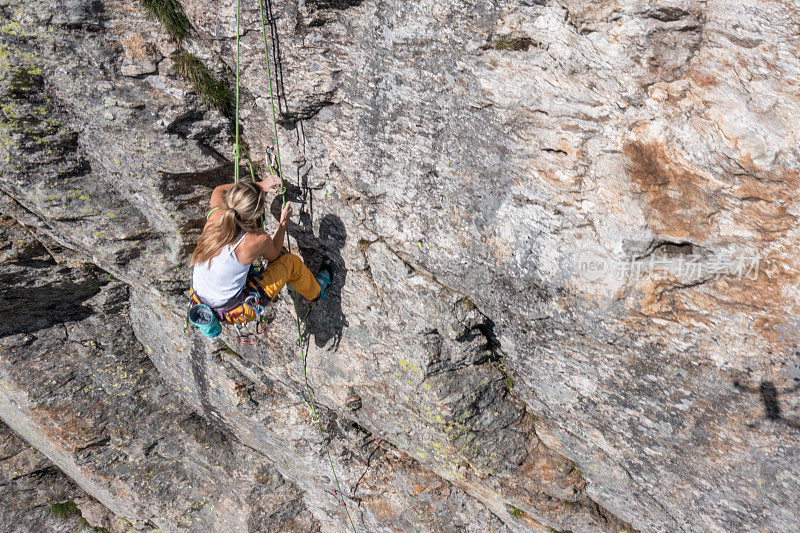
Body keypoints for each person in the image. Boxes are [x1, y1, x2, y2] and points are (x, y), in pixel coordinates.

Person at [190, 175, 330, 325]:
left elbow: (219, 190)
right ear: (256, 215)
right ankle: (314, 293)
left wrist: (260, 185)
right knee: (291, 263)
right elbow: (274, 254)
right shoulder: (254, 241)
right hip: (236, 310)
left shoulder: (215, 217)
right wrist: (283, 223)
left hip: (199, 298)